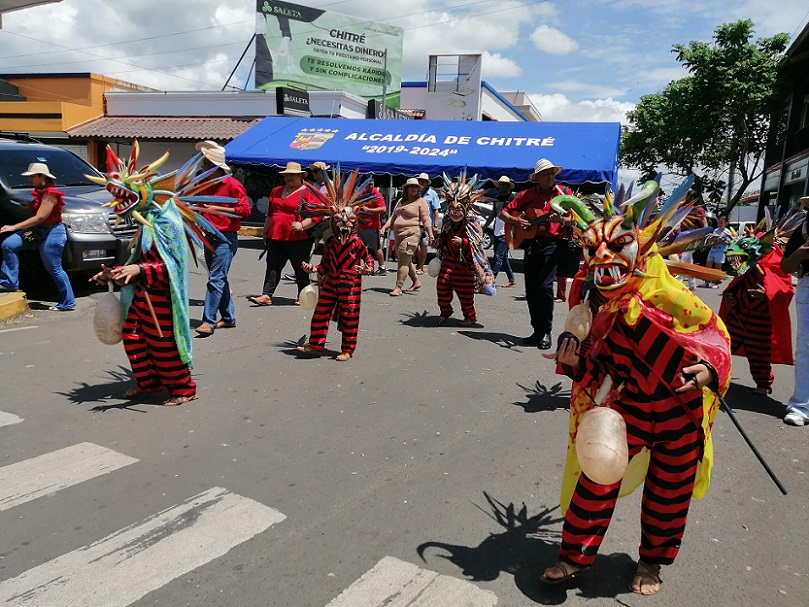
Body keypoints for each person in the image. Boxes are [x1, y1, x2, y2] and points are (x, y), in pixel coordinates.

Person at [541, 185, 731, 595]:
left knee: (669, 492)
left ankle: (651, 562)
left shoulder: (673, 298)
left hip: (680, 412)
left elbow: (715, 340)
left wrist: (708, 370)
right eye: (596, 250)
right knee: (597, 478)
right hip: (628, 409)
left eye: (619, 245)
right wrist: (578, 365)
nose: (604, 258)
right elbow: (602, 372)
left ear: (641, 252)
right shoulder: (599, 310)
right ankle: (574, 555)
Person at [87, 144, 225, 407]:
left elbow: (173, 267)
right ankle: (149, 381)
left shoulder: (167, 222)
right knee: (134, 338)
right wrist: (114, 273)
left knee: (164, 344)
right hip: (141, 296)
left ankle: (184, 387)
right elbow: (138, 260)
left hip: (161, 298)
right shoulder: (146, 220)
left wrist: (139, 269)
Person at [498, 158, 571, 349]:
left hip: (553, 244)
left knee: (545, 287)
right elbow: (503, 213)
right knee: (531, 289)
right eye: (545, 174)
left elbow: (575, 218)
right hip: (532, 245)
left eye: (551, 173)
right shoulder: (527, 195)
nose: (549, 177)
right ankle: (537, 331)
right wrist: (517, 222)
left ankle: (546, 330)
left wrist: (562, 220)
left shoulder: (565, 193)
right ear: (537, 177)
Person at [719, 221, 794, 395]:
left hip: (760, 322)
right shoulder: (746, 269)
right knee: (724, 346)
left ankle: (763, 384)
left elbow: (785, 291)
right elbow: (735, 287)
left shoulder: (775, 268)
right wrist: (731, 297)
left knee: (759, 355)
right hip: (739, 316)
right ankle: (715, 375)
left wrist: (767, 293)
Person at [297, 203, 374, 361]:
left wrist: (368, 269)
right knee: (320, 313)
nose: (344, 223)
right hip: (331, 283)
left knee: (349, 317)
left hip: (350, 285)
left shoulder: (357, 242)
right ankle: (316, 345)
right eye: (339, 219)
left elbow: (369, 259)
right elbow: (325, 264)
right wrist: (313, 268)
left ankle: (347, 350)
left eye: (349, 220)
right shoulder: (331, 243)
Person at [192, 141, 251, 335]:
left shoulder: (233, 185)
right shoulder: (202, 184)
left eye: (206, 163)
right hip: (209, 236)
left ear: (215, 166)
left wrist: (219, 208)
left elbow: (245, 210)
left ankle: (208, 321)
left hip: (226, 238)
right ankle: (228, 318)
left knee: (215, 279)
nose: (202, 166)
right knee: (218, 278)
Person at [0, 163, 76, 311]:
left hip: (53, 232)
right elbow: (39, 212)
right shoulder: (40, 193)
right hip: (38, 230)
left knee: (54, 267)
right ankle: (9, 282)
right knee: (8, 244)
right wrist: (28, 207)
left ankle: (68, 302)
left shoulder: (50, 194)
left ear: (43, 177)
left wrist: (14, 227)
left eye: (32, 176)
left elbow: (40, 217)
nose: (30, 180)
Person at [249, 162, 319, 306]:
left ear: (300, 176)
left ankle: (303, 295)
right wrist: (265, 230)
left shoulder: (308, 192)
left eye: (292, 175)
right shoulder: (276, 190)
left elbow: (316, 216)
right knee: (272, 266)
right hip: (276, 235)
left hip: (298, 238)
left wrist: (301, 225)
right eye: (286, 175)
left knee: (300, 268)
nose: (288, 177)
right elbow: (270, 213)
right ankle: (266, 295)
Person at [780, 196, 809, 426]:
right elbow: (785, 267)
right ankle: (801, 405)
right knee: (806, 347)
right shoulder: (804, 229)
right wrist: (800, 254)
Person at [380, 178, 434, 296]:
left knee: (403, 260)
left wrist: (430, 234)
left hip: (412, 233)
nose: (414, 189)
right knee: (405, 259)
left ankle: (398, 287)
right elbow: (393, 217)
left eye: (416, 187)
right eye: (411, 186)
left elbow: (425, 219)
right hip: (398, 234)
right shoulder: (401, 201)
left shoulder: (421, 202)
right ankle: (416, 281)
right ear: (407, 188)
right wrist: (384, 228)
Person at [483, 176, 516, 288]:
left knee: (498, 257)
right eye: (500, 184)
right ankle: (511, 279)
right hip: (497, 230)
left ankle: (490, 281)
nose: (501, 186)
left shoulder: (512, 197)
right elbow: (493, 214)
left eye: (503, 184)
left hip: (507, 231)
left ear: (508, 186)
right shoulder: (497, 198)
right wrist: (485, 227)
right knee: (503, 257)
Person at [355, 176, 388, 275]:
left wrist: (368, 210)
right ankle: (357, 267)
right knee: (358, 247)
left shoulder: (376, 194)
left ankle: (382, 267)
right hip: (360, 226)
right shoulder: (360, 193)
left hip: (372, 227)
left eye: (372, 184)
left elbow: (383, 209)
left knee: (376, 247)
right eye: (368, 184)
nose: (370, 186)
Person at [415, 173, 441, 274]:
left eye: (423, 181)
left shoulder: (432, 194)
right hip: (415, 222)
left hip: (426, 224)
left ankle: (421, 266)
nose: (421, 182)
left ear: (427, 183)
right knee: (413, 245)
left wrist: (435, 225)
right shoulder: (415, 192)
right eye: (420, 181)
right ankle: (418, 260)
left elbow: (436, 210)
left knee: (424, 245)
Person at [700, 215, 734, 288]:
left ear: (726, 223)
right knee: (708, 266)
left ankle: (716, 283)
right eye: (719, 223)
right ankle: (707, 282)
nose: (719, 224)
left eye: (721, 223)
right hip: (713, 250)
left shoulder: (727, 232)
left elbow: (729, 242)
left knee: (717, 268)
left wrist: (721, 239)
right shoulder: (716, 230)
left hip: (721, 251)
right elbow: (712, 240)